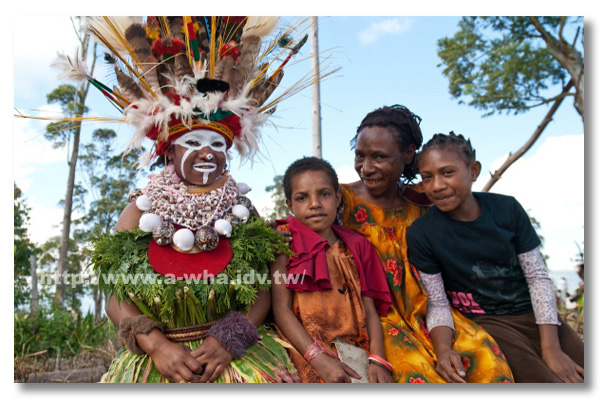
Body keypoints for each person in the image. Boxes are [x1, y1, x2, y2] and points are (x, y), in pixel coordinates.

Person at [67, 16, 322, 383]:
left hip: (234, 357)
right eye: (193, 144)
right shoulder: (139, 210)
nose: (207, 154)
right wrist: (155, 345)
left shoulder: (241, 209)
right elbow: (115, 298)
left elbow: (263, 291)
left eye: (217, 144)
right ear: (169, 152)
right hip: (160, 360)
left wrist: (230, 339)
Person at [338, 105, 514, 383]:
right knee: (419, 376)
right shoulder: (339, 201)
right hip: (378, 320)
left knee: (488, 362)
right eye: (360, 155)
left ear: (408, 155)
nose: (366, 167)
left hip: (437, 313)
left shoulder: (427, 201)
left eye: (379, 157)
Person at [406, 132, 584, 383]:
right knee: (547, 382)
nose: (436, 185)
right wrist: (443, 349)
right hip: (487, 324)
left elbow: (537, 278)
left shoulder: (508, 210)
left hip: (538, 318)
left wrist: (552, 349)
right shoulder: (422, 234)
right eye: (427, 177)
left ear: (474, 170)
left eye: (447, 172)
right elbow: (438, 301)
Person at [270, 157, 394, 383]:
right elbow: (281, 310)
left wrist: (378, 359)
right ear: (290, 205)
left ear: (337, 197)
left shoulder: (357, 246)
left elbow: (370, 309)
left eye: (324, 194)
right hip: (305, 351)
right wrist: (317, 358)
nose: (315, 203)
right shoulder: (284, 245)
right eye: (302, 197)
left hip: (356, 350)